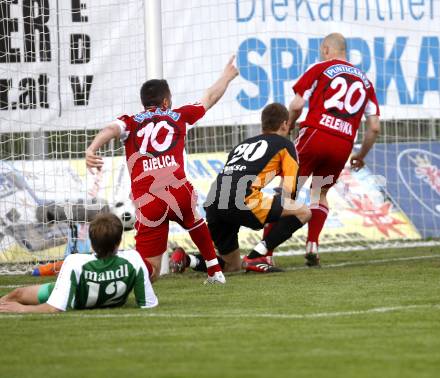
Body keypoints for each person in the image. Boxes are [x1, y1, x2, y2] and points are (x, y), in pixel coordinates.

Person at [85, 57, 238, 284]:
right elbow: (210, 97)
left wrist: (92, 148)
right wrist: (227, 76)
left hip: (149, 199)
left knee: (151, 271)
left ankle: (113, 272)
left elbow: (110, 129)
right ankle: (215, 272)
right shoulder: (180, 116)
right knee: (194, 219)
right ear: (166, 101)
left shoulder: (130, 121)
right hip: (178, 190)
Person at [170, 103, 311, 274]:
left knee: (232, 265)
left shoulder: (242, 145)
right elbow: (289, 191)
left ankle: (187, 260)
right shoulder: (285, 145)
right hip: (242, 199)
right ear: (284, 124)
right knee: (303, 212)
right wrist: (280, 207)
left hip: (215, 202)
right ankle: (256, 256)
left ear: (263, 124)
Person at [284, 32, 381, 266]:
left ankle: (264, 251)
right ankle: (313, 246)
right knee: (320, 193)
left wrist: (288, 125)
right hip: (343, 144)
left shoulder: (321, 68)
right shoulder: (365, 82)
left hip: (316, 134)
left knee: (288, 191)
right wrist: (361, 155)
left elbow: (297, 104)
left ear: (326, 49)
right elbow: (375, 127)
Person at [0, 213, 158, 313]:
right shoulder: (134, 259)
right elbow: (148, 304)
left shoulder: (75, 262)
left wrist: (21, 309)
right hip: (104, 296)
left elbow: (53, 308)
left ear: (92, 241)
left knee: (17, 294)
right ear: (119, 242)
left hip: (74, 297)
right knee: (19, 294)